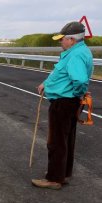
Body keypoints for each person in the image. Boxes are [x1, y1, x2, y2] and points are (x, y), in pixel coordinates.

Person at [32, 21, 93, 190]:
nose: (60, 42)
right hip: (68, 101)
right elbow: (61, 73)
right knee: (66, 138)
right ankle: (63, 173)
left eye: (63, 39)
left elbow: (79, 80)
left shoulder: (75, 55)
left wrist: (76, 93)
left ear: (72, 40)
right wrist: (47, 83)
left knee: (56, 141)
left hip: (64, 102)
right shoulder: (77, 51)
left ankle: (54, 179)